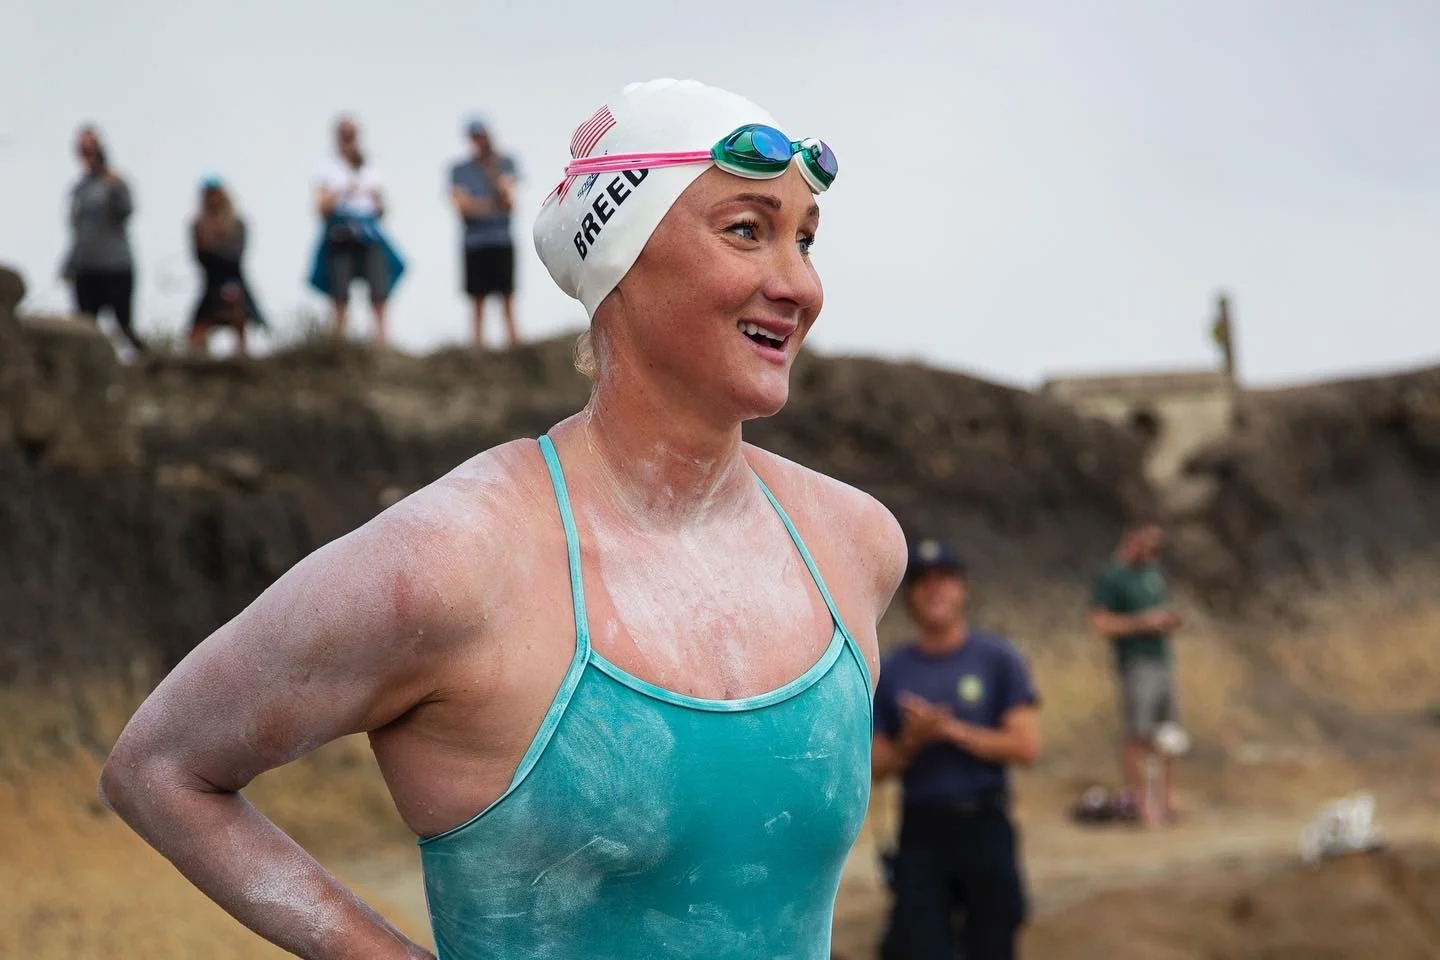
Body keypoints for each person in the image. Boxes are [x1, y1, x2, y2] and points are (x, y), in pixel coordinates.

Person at [100, 78, 907, 960]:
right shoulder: (455, 563)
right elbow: (160, 770)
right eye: (746, 230)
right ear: (622, 258)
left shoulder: (852, 545)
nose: (797, 285)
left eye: (806, 240)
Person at [872, 538, 1041, 960]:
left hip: (984, 820)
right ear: (909, 596)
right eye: (923, 581)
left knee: (993, 941)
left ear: (961, 588)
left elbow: (1025, 746)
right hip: (921, 828)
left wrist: (949, 730)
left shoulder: (998, 659)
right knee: (920, 945)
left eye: (944, 579)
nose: (934, 590)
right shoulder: (891, 670)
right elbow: (875, 766)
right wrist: (913, 740)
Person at [1089, 520, 1185, 827]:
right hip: (1136, 664)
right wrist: (1144, 623)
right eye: (1149, 544)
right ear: (1133, 539)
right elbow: (1101, 623)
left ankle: (1168, 800)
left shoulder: (1152, 574)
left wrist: (1167, 623)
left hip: (1162, 662)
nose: (1154, 551)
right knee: (1138, 734)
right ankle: (1141, 803)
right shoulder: (1114, 577)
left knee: (1169, 734)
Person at [307, 115, 404, 346]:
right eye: (344, 134)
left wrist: (374, 201)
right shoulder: (327, 168)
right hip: (339, 235)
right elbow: (320, 207)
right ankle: (337, 342)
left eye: (352, 134)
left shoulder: (371, 167)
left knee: (379, 290)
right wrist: (344, 189)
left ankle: (382, 342)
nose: (349, 139)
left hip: (370, 234)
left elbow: (382, 208)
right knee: (339, 293)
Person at [62, 125, 146, 354]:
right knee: (84, 327)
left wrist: (114, 187)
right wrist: (69, 264)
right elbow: (78, 231)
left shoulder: (115, 182)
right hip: (86, 268)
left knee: (124, 326)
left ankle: (150, 367)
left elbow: (125, 211)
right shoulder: (79, 190)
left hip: (115, 265)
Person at [450, 116, 521, 349]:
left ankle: (514, 346)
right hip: (475, 243)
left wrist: (490, 174)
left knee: (507, 297)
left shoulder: (506, 162)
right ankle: (477, 349)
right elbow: (463, 208)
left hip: (501, 241)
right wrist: (493, 206)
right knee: (477, 301)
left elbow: (509, 199)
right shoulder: (458, 170)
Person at [188, 175, 266, 357]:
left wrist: (213, 247)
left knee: (239, 320)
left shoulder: (236, 223)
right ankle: (198, 361)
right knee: (199, 327)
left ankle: (242, 359)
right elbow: (199, 257)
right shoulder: (198, 225)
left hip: (234, 279)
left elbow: (236, 256)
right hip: (210, 283)